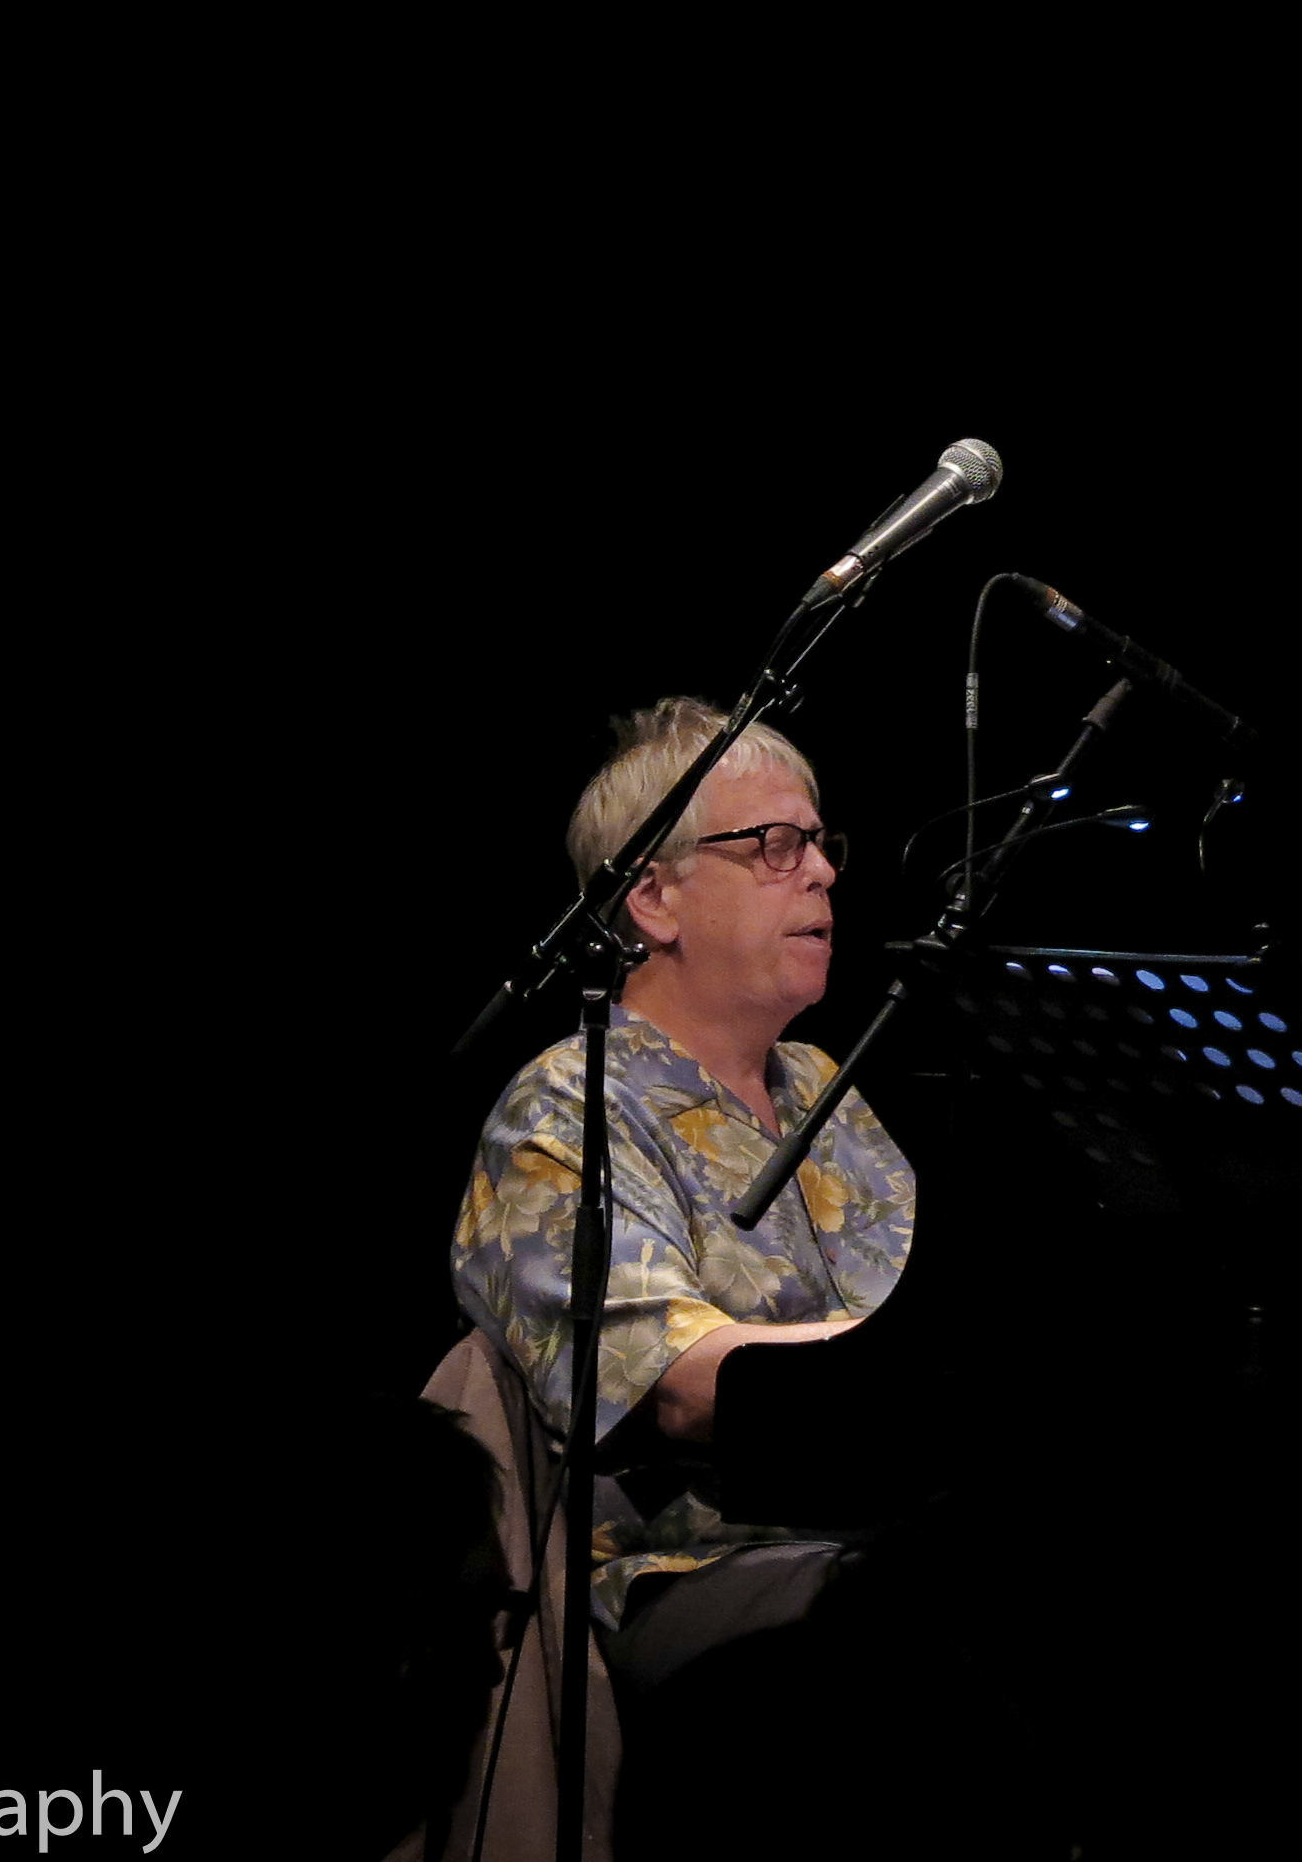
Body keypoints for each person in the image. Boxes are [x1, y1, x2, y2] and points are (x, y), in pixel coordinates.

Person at [449, 699, 914, 1859]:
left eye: (820, 844)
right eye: (771, 846)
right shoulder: (563, 1109)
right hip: (679, 1577)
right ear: (649, 899)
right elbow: (675, 1382)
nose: (818, 875)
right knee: (921, 1622)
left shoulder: (825, 1092)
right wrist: (918, 1374)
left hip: (880, 1527)